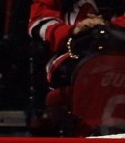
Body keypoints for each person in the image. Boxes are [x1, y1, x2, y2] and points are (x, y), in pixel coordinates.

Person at [28, 1, 125, 133]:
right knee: (95, 73)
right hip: (70, 52)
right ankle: (90, 138)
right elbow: (40, 18)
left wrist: (107, 29)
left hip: (118, 49)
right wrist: (73, 31)